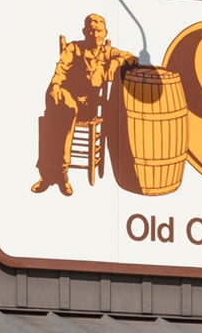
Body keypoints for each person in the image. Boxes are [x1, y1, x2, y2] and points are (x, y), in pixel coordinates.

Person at [31, 12, 137, 196]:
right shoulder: (74, 48)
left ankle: (51, 174)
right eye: (91, 31)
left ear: (105, 33)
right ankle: (59, 173)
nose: (95, 35)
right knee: (61, 110)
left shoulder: (108, 52)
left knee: (54, 119)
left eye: (99, 31)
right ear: (84, 32)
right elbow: (60, 69)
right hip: (64, 98)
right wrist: (56, 85)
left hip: (87, 107)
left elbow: (133, 58)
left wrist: (116, 63)